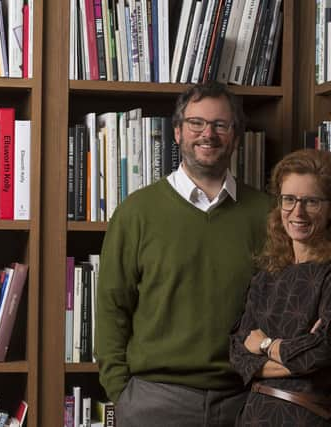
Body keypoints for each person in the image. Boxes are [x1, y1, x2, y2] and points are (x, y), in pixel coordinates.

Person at [95, 81, 271, 427]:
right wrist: (122, 392)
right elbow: (112, 307)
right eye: (196, 123)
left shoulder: (268, 214)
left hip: (243, 400)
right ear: (177, 132)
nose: (208, 134)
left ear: (236, 136)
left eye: (221, 124)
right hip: (154, 402)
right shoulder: (136, 213)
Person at [229, 149, 331, 426]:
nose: (298, 212)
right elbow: (238, 352)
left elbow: (323, 350)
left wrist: (265, 345)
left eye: (312, 202)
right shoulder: (268, 271)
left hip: (308, 417)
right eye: (289, 200)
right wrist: (297, 356)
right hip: (253, 415)